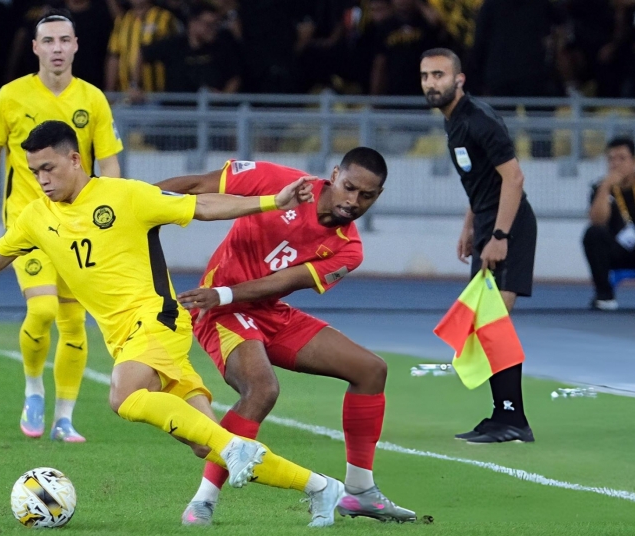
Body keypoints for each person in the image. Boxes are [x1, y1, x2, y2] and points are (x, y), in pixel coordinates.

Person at [0, 120, 345, 528]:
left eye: (49, 168)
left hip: (158, 319)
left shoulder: (125, 195)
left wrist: (271, 201)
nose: (42, 180)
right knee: (208, 445)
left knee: (123, 396)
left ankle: (238, 449)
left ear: (74, 159)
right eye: (34, 171)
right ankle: (321, 488)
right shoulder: (36, 217)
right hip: (124, 338)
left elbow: (202, 205)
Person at [155, 149, 416, 526]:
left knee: (371, 370)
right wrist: (133, 203)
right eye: (349, 187)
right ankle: (203, 501)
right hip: (219, 311)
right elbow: (198, 185)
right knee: (262, 389)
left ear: (379, 195)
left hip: (262, 309)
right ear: (334, 174)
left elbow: (284, 281)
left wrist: (226, 293)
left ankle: (359, 491)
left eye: (367, 196)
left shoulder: (349, 249)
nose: (353, 201)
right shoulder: (279, 181)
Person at [0, 12, 123, 443]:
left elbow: (108, 160)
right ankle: (34, 388)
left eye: (64, 40)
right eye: (49, 41)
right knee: (42, 311)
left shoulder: (93, 99)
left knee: (74, 323)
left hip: (77, 225)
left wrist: (110, 213)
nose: (57, 48)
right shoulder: (11, 95)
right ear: (35, 47)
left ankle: (64, 417)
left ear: (76, 45)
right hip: (29, 222)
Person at [420, 48, 536, 444]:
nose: (431, 83)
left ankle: (512, 419)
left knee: (493, 323)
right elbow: (481, 182)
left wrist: (500, 236)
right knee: (486, 325)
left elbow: (513, 178)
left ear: (459, 79)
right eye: (425, 76)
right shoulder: (454, 122)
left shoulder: (478, 120)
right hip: (488, 225)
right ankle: (503, 415)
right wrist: (470, 226)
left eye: (439, 75)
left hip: (509, 227)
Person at [583, 137, 635, 312]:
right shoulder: (599, 187)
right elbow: (597, 220)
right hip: (616, 248)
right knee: (592, 233)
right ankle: (604, 296)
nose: (615, 164)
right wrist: (605, 188)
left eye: (621, 158)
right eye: (611, 159)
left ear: (634, 161)